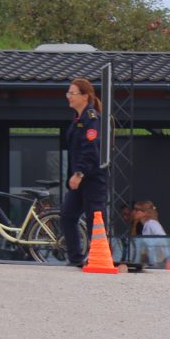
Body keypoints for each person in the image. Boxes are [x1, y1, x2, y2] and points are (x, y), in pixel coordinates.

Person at [60, 77, 108, 268]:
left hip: (91, 178)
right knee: (67, 215)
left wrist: (79, 173)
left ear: (85, 96)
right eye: (68, 93)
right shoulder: (78, 119)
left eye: (73, 93)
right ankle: (75, 258)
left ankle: (99, 257)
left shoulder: (92, 118)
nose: (69, 97)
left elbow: (91, 150)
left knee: (94, 218)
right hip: (78, 179)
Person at [132, 200, 169, 266]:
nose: (134, 212)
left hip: (159, 263)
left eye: (137, 210)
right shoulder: (146, 225)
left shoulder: (152, 224)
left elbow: (162, 239)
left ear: (145, 212)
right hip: (153, 262)